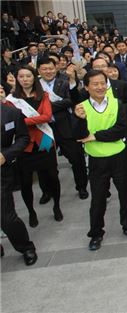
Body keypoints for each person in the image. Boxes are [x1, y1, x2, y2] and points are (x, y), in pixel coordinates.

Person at [73, 70, 127, 250]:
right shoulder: (81, 107)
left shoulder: (117, 103)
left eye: (103, 83)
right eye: (95, 84)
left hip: (119, 156)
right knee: (98, 199)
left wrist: (95, 136)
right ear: (86, 87)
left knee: (126, 194)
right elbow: (79, 136)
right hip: (97, 160)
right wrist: (80, 121)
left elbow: (120, 129)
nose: (100, 87)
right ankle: (96, 233)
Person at [5, 66, 63, 227]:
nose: (25, 79)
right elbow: (13, 122)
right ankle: (31, 211)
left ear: (34, 78)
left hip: (44, 141)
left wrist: (23, 121)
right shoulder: (11, 100)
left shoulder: (42, 95)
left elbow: (47, 116)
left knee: (52, 176)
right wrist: (30, 121)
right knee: (25, 182)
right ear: (17, 79)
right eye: (21, 76)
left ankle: (57, 206)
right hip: (24, 145)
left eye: (28, 76)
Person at [37, 58, 88, 199]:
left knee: (77, 159)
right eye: (44, 69)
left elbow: (71, 101)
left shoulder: (65, 82)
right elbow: (34, 106)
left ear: (56, 68)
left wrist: (46, 108)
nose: (48, 71)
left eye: (51, 68)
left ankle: (82, 186)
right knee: (43, 162)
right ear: (39, 71)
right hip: (44, 130)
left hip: (65, 128)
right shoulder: (35, 86)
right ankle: (47, 191)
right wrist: (60, 104)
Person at [1, 85, 38, 266]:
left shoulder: (11, 113)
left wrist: (6, 155)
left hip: (2, 171)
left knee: (6, 216)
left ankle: (25, 246)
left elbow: (23, 138)